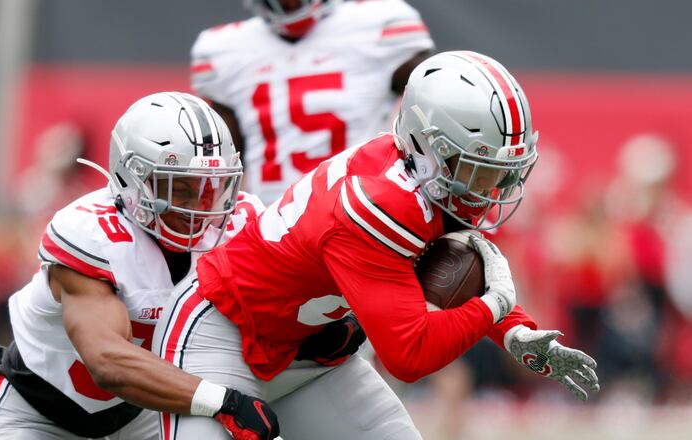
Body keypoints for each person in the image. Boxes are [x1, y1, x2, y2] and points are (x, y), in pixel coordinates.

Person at [153, 51, 601, 439]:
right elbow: (410, 354)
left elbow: (458, 274)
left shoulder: (419, 176)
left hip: (308, 352)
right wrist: (496, 306)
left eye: (504, 173)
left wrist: (516, 332)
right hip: (224, 335)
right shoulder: (380, 205)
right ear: (430, 147)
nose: (494, 189)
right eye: (480, 170)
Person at [0, 92, 361, 440]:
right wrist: (223, 401)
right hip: (42, 412)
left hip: (144, 411)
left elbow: (265, 315)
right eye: (178, 187)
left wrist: (312, 333)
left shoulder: (239, 222)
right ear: (130, 179)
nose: (198, 206)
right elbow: (108, 362)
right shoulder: (90, 233)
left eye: (211, 186)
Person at [191, 0, 435, 205]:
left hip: (360, 208)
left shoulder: (378, 24)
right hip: (272, 219)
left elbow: (432, 106)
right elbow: (225, 160)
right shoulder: (224, 50)